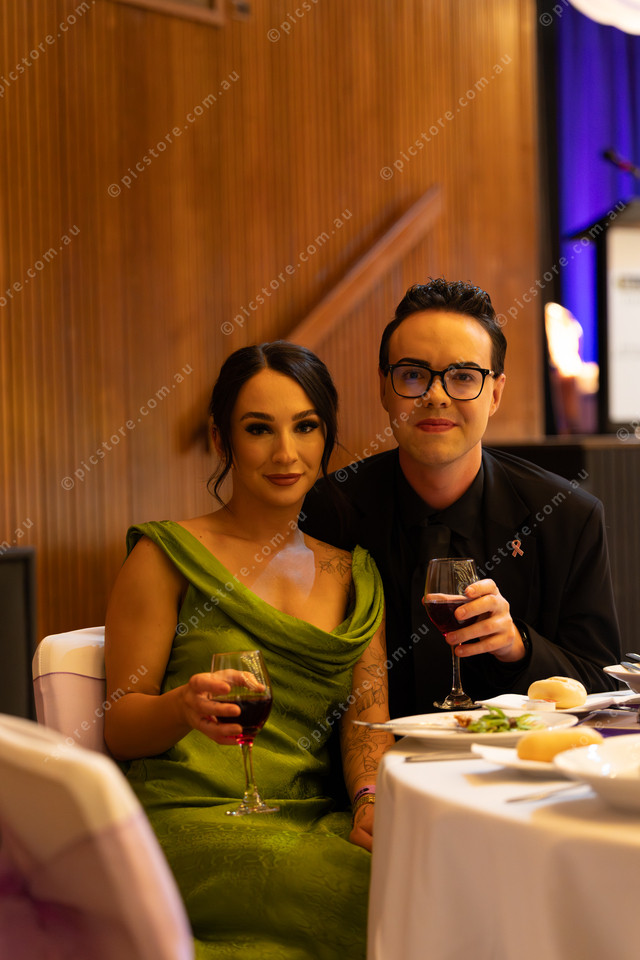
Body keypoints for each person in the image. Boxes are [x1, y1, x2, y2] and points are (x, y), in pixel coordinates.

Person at [104, 341, 393, 960]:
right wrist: (180, 707)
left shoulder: (355, 575)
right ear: (221, 439)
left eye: (305, 427)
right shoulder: (164, 555)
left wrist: (369, 801)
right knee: (370, 901)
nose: (286, 453)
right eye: (259, 429)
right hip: (191, 815)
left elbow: (367, 725)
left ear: (326, 436)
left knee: (425, 880)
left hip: (313, 819)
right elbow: (119, 726)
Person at [302, 278, 621, 718]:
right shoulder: (327, 509)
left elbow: (604, 686)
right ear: (384, 387)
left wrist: (518, 646)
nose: (436, 396)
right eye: (413, 375)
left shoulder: (567, 517)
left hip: (514, 760)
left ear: (496, 393)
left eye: (463, 377)